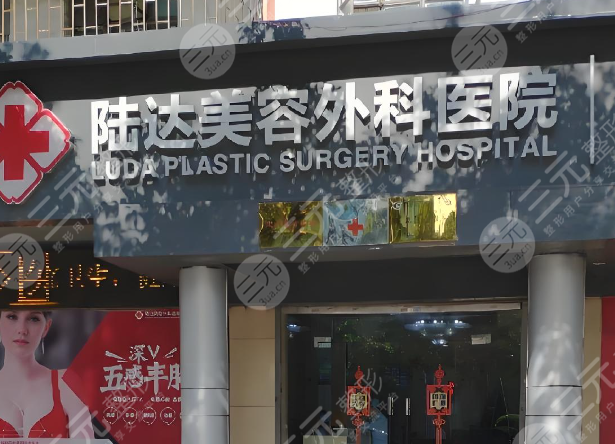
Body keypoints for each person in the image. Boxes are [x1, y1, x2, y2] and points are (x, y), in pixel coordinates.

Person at [0, 310, 94, 439]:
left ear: (46, 327)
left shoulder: (66, 383)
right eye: (12, 317)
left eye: (33, 319)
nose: (22, 330)